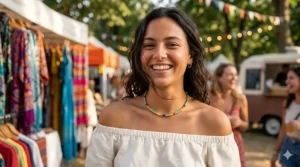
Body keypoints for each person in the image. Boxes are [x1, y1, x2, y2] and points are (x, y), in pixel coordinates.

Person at [85, 7, 240, 167]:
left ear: (190, 56)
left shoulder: (214, 124)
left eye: (172, 44)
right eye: (149, 45)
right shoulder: (113, 119)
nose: (159, 54)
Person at [209, 63, 249, 167]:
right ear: (219, 77)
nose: (234, 78)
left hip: (234, 145)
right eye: (230, 74)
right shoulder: (208, 98)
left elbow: (246, 125)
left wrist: (239, 122)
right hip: (213, 144)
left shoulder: (240, 99)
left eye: (235, 75)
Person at [271, 67, 300, 167]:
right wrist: (275, 152)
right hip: (288, 146)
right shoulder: (287, 102)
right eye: (287, 78)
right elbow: (283, 129)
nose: (287, 81)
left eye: (291, 78)